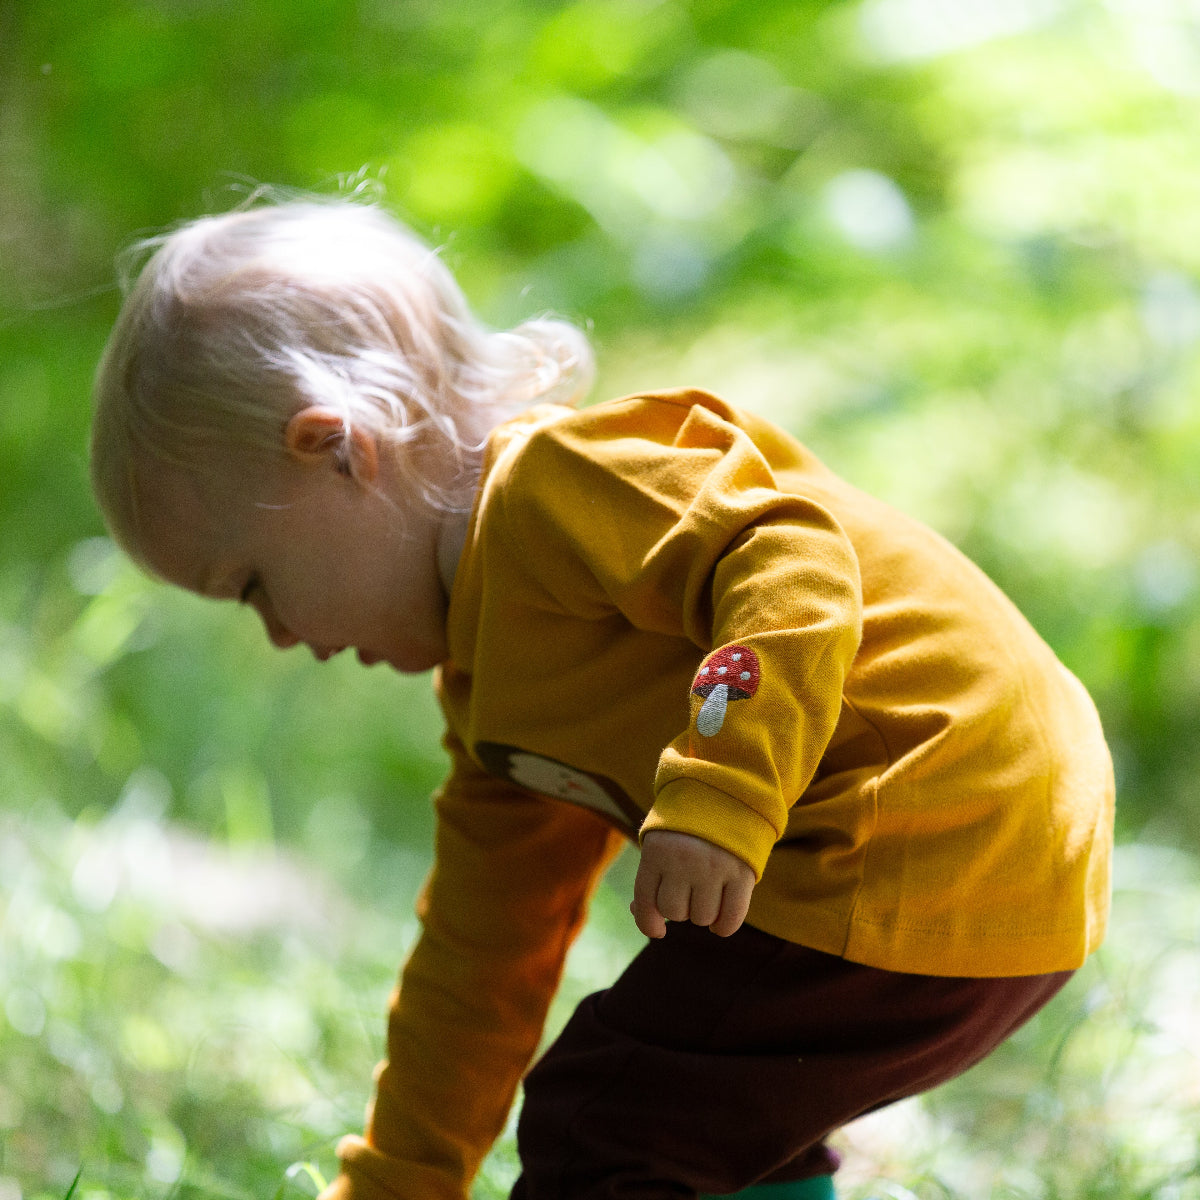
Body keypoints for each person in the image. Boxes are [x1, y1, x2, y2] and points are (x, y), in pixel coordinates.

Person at [89, 196, 1115, 1200]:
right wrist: (402, 1178)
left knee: (607, 1119)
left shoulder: (554, 489)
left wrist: (724, 784)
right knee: (705, 1106)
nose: (277, 637)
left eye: (254, 584)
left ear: (340, 449)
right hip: (974, 857)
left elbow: (790, 552)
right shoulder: (496, 701)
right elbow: (481, 963)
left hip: (939, 815)